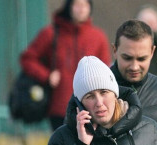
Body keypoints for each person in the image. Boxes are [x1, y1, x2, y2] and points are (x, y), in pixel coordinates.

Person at [19, 0, 111, 131]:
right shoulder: (51, 33)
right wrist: (47, 76)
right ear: (69, 7)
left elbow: (105, 71)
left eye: (85, 5)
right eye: (77, 5)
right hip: (59, 107)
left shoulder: (98, 37)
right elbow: (27, 58)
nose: (81, 9)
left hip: (90, 107)